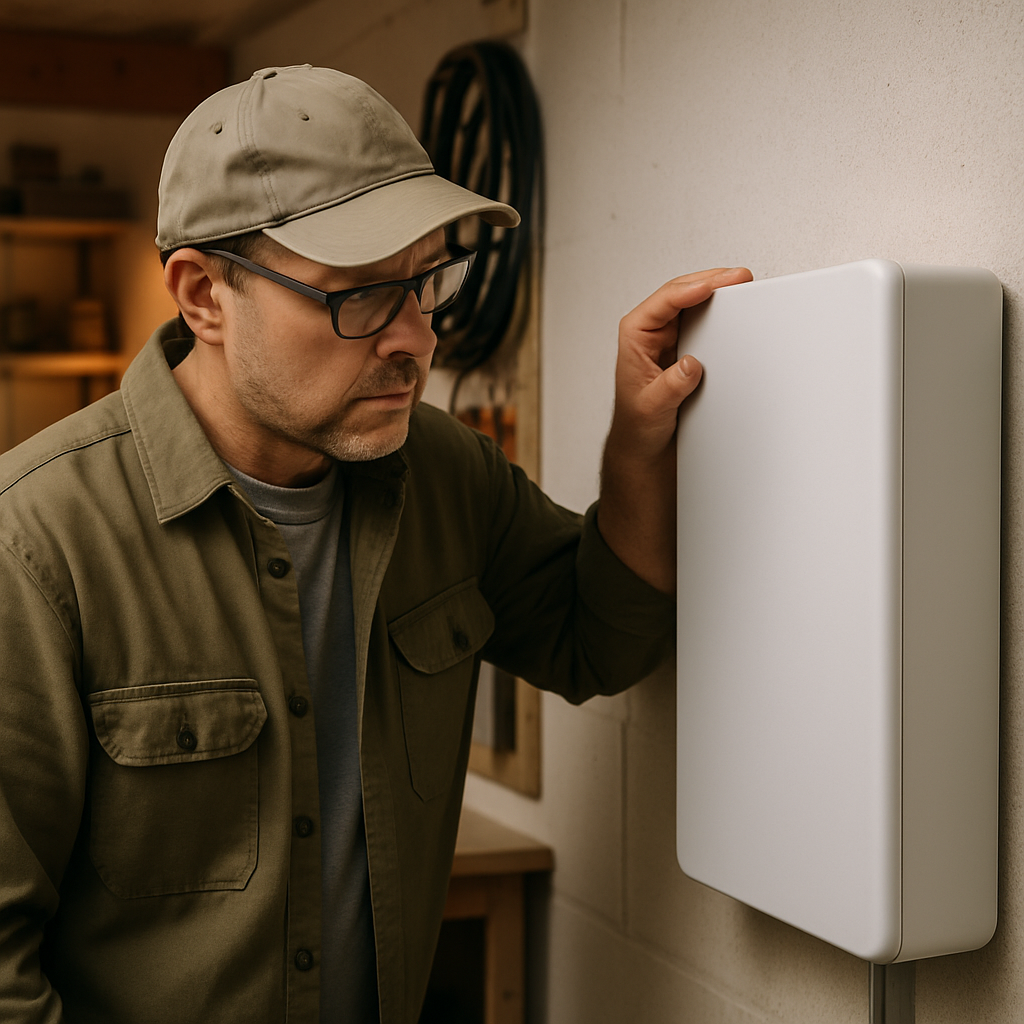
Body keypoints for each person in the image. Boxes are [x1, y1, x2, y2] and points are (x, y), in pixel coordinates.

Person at [0, 64, 751, 1024]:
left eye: (427, 281)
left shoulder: (444, 473)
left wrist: (639, 446)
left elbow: (598, 637)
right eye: (357, 295)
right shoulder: (38, 544)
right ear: (203, 297)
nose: (412, 339)